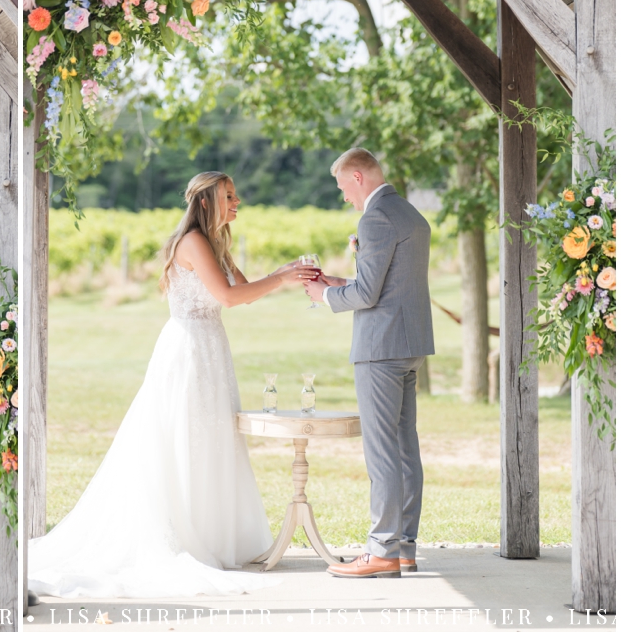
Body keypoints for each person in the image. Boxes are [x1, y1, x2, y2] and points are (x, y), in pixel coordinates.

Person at [27, 172, 315, 598]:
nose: (238, 202)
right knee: (185, 439)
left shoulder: (216, 241)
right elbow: (231, 298)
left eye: (236, 195)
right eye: (229, 197)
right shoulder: (195, 243)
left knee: (211, 439)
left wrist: (283, 272)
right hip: (189, 353)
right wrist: (284, 280)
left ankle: (212, 533)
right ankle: (183, 535)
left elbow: (244, 290)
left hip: (211, 349)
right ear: (205, 202)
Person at [304, 148, 435, 578]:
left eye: (343, 187)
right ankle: (404, 548)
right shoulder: (410, 214)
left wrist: (323, 296)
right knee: (404, 450)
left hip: (380, 350)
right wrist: (338, 282)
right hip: (410, 345)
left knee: (382, 454)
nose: (344, 197)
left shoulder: (375, 218)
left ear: (357, 177)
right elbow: (385, 283)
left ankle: (381, 550)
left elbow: (368, 296)